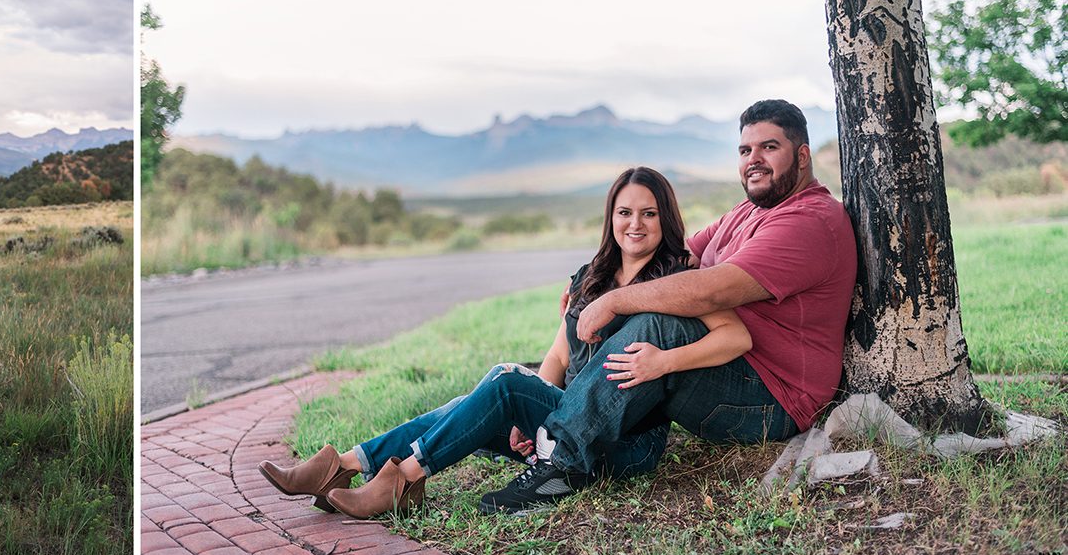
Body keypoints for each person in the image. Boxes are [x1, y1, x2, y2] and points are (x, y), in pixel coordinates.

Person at [258, 166, 753, 518]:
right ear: (611, 217)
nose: (635, 224)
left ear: (665, 218)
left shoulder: (677, 276)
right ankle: (346, 465)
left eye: (648, 214)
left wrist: (665, 362)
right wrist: (528, 418)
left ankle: (402, 480)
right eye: (625, 212)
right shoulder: (591, 276)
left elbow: (736, 336)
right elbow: (559, 355)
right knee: (476, 401)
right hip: (568, 419)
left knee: (503, 381)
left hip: (625, 442)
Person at [477, 99, 858, 514]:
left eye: (769, 148)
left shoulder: (809, 221)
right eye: (745, 150)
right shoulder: (747, 211)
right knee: (651, 302)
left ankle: (560, 463)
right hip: (729, 366)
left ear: (802, 156)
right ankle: (514, 427)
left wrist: (612, 300)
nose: (754, 160)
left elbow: (707, 291)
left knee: (660, 322)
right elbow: (672, 257)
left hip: (774, 397)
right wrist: (594, 286)